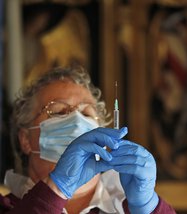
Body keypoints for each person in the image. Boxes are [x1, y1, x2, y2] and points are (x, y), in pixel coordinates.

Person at [0, 66, 176, 214]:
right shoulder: (8, 207)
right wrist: (56, 188)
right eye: (60, 112)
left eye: (86, 113)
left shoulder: (126, 207)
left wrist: (148, 207)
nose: (77, 122)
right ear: (25, 140)